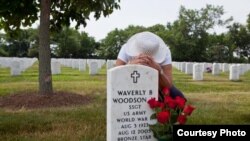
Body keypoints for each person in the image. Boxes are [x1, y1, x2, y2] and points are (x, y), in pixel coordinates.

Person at [115, 31, 186, 101]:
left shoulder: (165, 51)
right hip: (130, 83)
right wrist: (130, 66)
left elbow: (169, 85)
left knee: (179, 98)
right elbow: (115, 76)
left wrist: (159, 71)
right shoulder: (126, 48)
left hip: (156, 83)